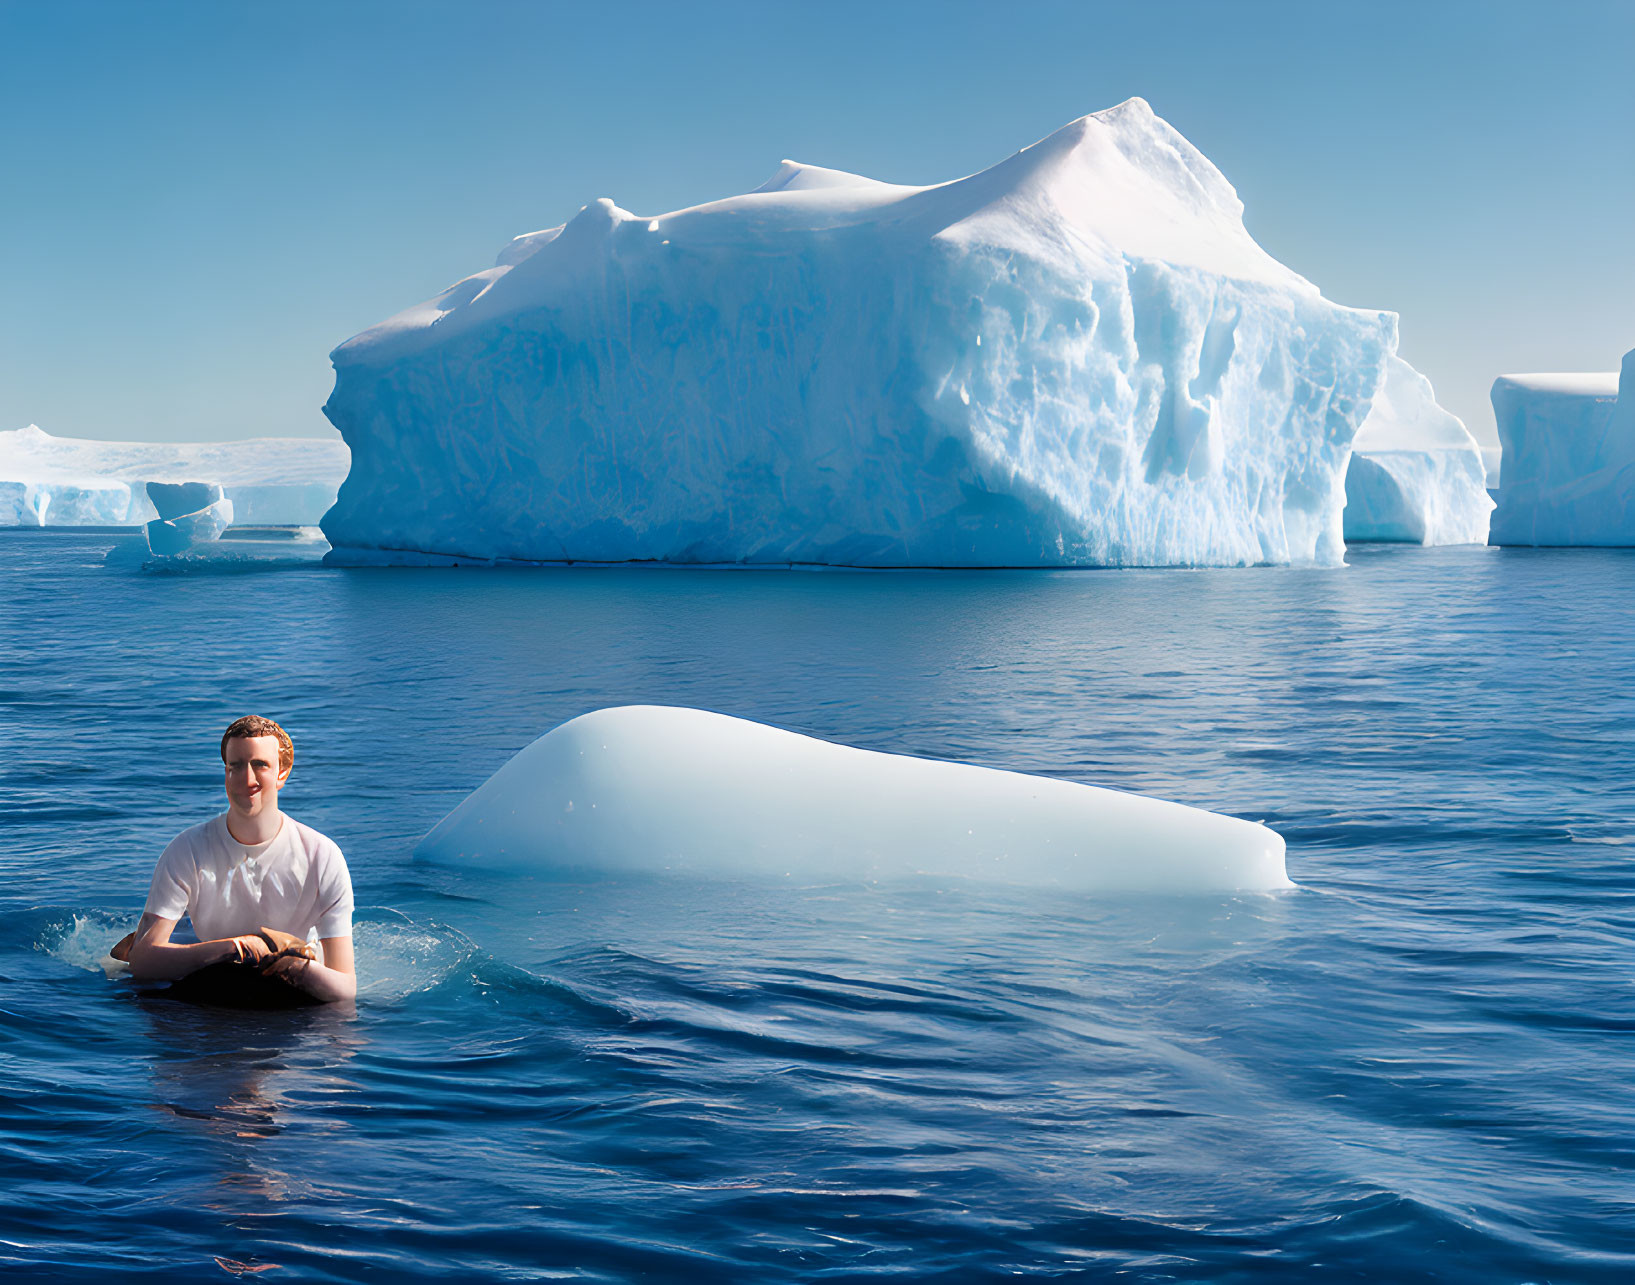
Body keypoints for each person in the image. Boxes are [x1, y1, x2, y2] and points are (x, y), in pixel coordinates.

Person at [126, 715, 356, 1004]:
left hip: (297, 992)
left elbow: (346, 988)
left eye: (260, 765)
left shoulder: (322, 856)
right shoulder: (187, 849)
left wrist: (294, 966)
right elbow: (141, 961)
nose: (246, 779)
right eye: (235, 766)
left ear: (282, 773)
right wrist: (234, 948)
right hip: (215, 984)